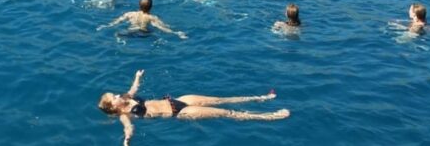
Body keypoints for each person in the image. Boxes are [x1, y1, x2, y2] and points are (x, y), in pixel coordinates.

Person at [98, 70, 290, 145]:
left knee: (221, 100)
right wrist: (126, 141)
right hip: (179, 112)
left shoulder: (126, 97)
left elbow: (133, 88)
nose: (116, 95)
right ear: (113, 108)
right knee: (227, 112)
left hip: (179, 99)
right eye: (112, 98)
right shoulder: (124, 115)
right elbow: (128, 129)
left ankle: (261, 97)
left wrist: (138, 77)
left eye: (113, 94)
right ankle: (269, 116)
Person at [97, 0, 186, 39]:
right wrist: (176, 33)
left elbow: (118, 21)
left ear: (139, 5)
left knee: (119, 34)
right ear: (151, 7)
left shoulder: (130, 14)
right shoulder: (151, 17)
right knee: (154, 34)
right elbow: (161, 27)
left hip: (130, 31)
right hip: (143, 33)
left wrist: (106, 26)